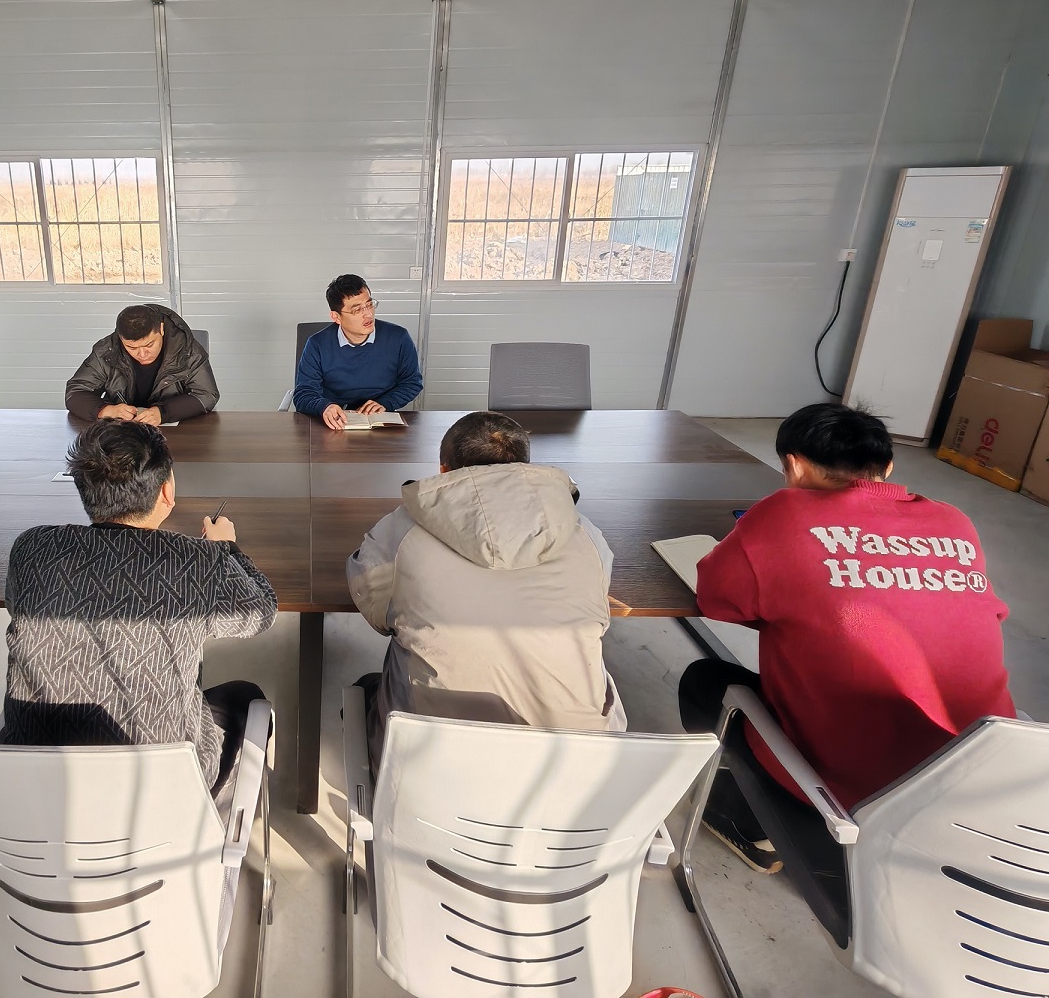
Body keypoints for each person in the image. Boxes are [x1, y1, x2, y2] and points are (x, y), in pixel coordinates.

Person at [679, 402, 1014, 873]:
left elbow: (717, 600)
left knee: (704, 682)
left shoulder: (782, 513)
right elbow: (982, 613)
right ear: (888, 468)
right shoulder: (953, 521)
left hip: (858, 793)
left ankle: (763, 825)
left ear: (793, 465)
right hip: (981, 777)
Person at [2, 419, 276, 792]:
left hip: (35, 788)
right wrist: (226, 548)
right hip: (160, 791)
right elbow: (260, 612)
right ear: (166, 492)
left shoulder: (32, 548)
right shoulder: (195, 560)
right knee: (245, 696)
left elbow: (18, 605)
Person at [346, 411, 623, 768]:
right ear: (522, 469)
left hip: (434, 771)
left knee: (393, 657)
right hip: (577, 772)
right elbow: (598, 609)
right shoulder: (585, 534)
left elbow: (373, 605)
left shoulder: (401, 532)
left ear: (443, 470)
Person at [293, 274, 423, 430]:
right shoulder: (317, 344)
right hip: (334, 423)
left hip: (379, 419)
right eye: (357, 310)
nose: (368, 314)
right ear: (336, 317)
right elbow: (303, 393)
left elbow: (412, 383)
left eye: (369, 305)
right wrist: (324, 407)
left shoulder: (398, 337)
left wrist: (386, 402)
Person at [66, 304, 218, 425]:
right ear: (120, 338)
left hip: (175, 434)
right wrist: (105, 410)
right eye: (132, 348)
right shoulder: (106, 351)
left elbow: (207, 394)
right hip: (123, 434)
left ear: (161, 329)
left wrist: (164, 412)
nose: (143, 354)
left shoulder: (188, 351)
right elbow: (76, 391)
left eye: (149, 345)